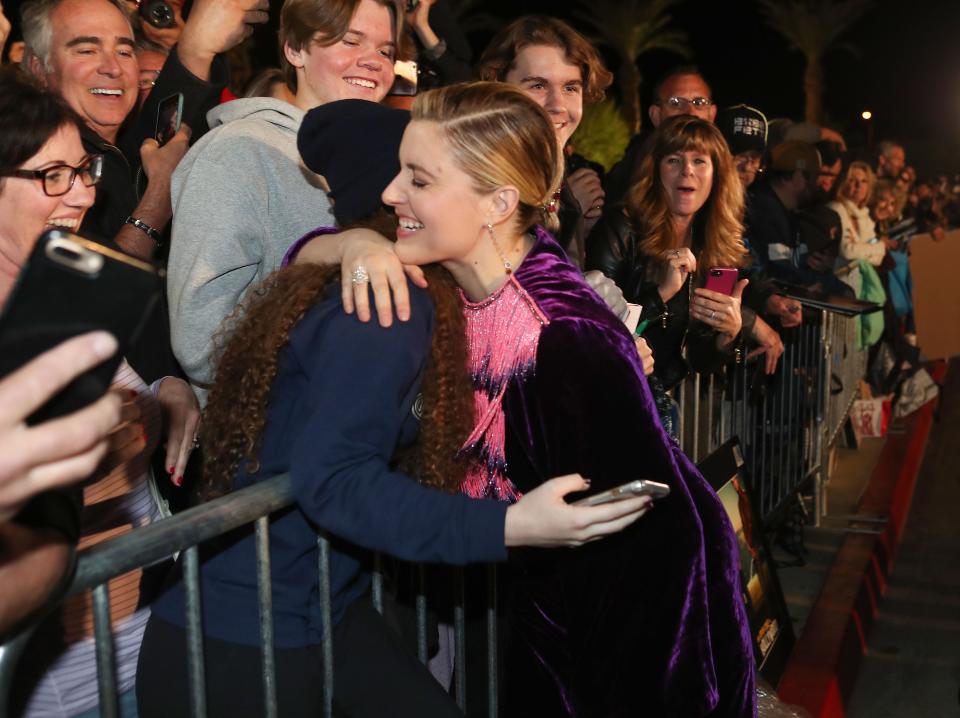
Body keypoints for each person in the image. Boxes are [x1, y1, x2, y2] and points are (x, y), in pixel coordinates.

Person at [137, 99, 652, 718]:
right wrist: (513, 527)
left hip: (318, 611)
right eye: (398, 176)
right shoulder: (387, 310)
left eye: (419, 177)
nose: (395, 190)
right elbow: (334, 481)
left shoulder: (427, 290)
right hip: (240, 642)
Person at [0, 70, 199, 717]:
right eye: (51, 175)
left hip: (150, 656)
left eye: (83, 170)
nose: (81, 194)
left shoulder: (69, 306)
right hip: (63, 693)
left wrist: (168, 388)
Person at [167, 0, 407, 402]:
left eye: (386, 51)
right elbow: (201, 342)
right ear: (295, 49)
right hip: (269, 441)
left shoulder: (393, 167)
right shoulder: (237, 152)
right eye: (350, 41)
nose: (373, 62)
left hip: (364, 430)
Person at [586, 115, 750, 434]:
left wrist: (729, 335)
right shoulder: (621, 229)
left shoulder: (716, 246)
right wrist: (660, 293)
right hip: (611, 406)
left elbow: (700, 360)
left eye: (699, 161)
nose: (686, 170)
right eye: (674, 160)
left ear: (717, 176)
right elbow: (594, 330)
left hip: (663, 410)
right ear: (655, 171)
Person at [478, 16, 613, 257]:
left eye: (570, 88)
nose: (557, 105)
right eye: (538, 86)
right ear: (497, 87)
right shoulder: (476, 177)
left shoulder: (558, 177)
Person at [603, 65, 717, 205]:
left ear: (712, 114)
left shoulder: (724, 171)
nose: (690, 112)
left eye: (699, 102)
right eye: (676, 103)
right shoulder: (630, 176)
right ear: (656, 115)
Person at [828, 160, 886, 294]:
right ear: (843, 183)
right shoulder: (836, 209)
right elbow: (847, 251)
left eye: (864, 181)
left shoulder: (864, 215)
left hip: (861, 289)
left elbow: (878, 258)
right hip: (839, 289)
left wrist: (863, 250)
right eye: (852, 180)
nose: (858, 185)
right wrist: (879, 246)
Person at [717, 104, 767, 190]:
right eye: (739, 155)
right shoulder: (695, 200)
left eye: (754, 158)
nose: (746, 167)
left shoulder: (758, 201)